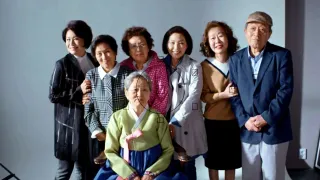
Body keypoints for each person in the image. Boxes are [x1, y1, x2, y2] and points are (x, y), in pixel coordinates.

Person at [229, 11, 294, 180]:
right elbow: (233, 94)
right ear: (245, 32)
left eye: (262, 29)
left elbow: (285, 91)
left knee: (274, 176)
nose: (256, 33)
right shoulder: (235, 59)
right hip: (248, 129)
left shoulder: (281, 55)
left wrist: (266, 117)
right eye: (252, 28)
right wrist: (245, 120)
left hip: (274, 128)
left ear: (269, 33)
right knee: (249, 177)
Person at [94, 71, 186, 180]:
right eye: (135, 90)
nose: (140, 94)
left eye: (144, 90)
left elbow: (168, 150)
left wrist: (150, 173)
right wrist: (130, 174)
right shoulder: (117, 117)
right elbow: (110, 151)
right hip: (124, 167)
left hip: (154, 167)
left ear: (150, 93)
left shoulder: (158, 118)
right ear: (126, 92)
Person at [49, 20, 98, 180]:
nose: (71, 43)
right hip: (69, 127)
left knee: (84, 170)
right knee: (65, 170)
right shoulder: (61, 65)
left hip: (90, 124)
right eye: (68, 39)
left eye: (75, 38)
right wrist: (78, 91)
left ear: (85, 39)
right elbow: (53, 95)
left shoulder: (95, 60)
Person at [83, 34, 133, 179]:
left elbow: (133, 106)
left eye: (108, 51)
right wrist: (98, 131)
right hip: (100, 137)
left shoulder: (127, 74)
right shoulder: (91, 76)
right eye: (99, 53)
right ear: (94, 56)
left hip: (125, 137)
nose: (104, 57)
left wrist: (123, 134)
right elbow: (88, 110)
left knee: (123, 174)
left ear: (115, 52)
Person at [162, 26, 208, 180]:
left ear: (187, 45)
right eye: (172, 43)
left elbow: (194, 96)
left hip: (187, 122)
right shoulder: (160, 65)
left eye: (181, 43)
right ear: (166, 44)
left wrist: (175, 122)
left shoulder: (194, 66)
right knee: (167, 164)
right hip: (163, 120)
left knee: (187, 163)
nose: (176, 47)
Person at [200, 21, 241, 180]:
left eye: (220, 36)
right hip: (213, 121)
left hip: (235, 120)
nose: (217, 41)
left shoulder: (238, 61)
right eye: (212, 38)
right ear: (207, 43)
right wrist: (223, 95)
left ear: (228, 38)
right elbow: (203, 96)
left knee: (231, 162)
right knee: (213, 162)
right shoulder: (204, 66)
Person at [120, 26, 169, 116]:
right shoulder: (123, 67)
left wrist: (149, 117)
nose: (138, 49)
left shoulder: (159, 66)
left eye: (142, 45)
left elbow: (162, 96)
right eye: (133, 46)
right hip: (129, 117)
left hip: (154, 118)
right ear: (128, 50)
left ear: (148, 46)